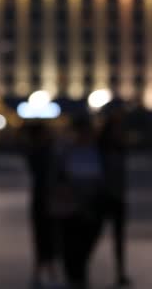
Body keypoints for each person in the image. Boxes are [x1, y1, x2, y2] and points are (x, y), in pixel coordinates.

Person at [52, 117, 106, 289]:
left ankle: (79, 272)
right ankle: (75, 275)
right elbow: (57, 176)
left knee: (88, 238)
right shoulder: (66, 151)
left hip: (92, 201)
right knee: (71, 241)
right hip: (71, 201)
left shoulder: (97, 150)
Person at [99, 102, 132, 287]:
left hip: (117, 197)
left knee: (119, 237)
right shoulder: (103, 150)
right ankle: (79, 269)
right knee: (93, 234)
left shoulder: (119, 150)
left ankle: (120, 272)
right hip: (104, 196)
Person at [24, 122, 59, 287]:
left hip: (43, 197)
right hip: (45, 197)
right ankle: (47, 272)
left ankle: (44, 272)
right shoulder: (42, 152)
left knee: (44, 236)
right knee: (45, 236)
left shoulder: (38, 152)